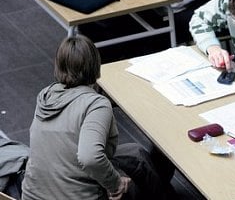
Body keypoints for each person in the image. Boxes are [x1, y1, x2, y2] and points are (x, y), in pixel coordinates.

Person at [21, 35, 175, 200]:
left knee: (135, 153)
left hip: (34, 194)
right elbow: (90, 157)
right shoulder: (95, 104)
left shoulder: (46, 96)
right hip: (77, 195)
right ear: (95, 66)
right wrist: (115, 183)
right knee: (130, 188)